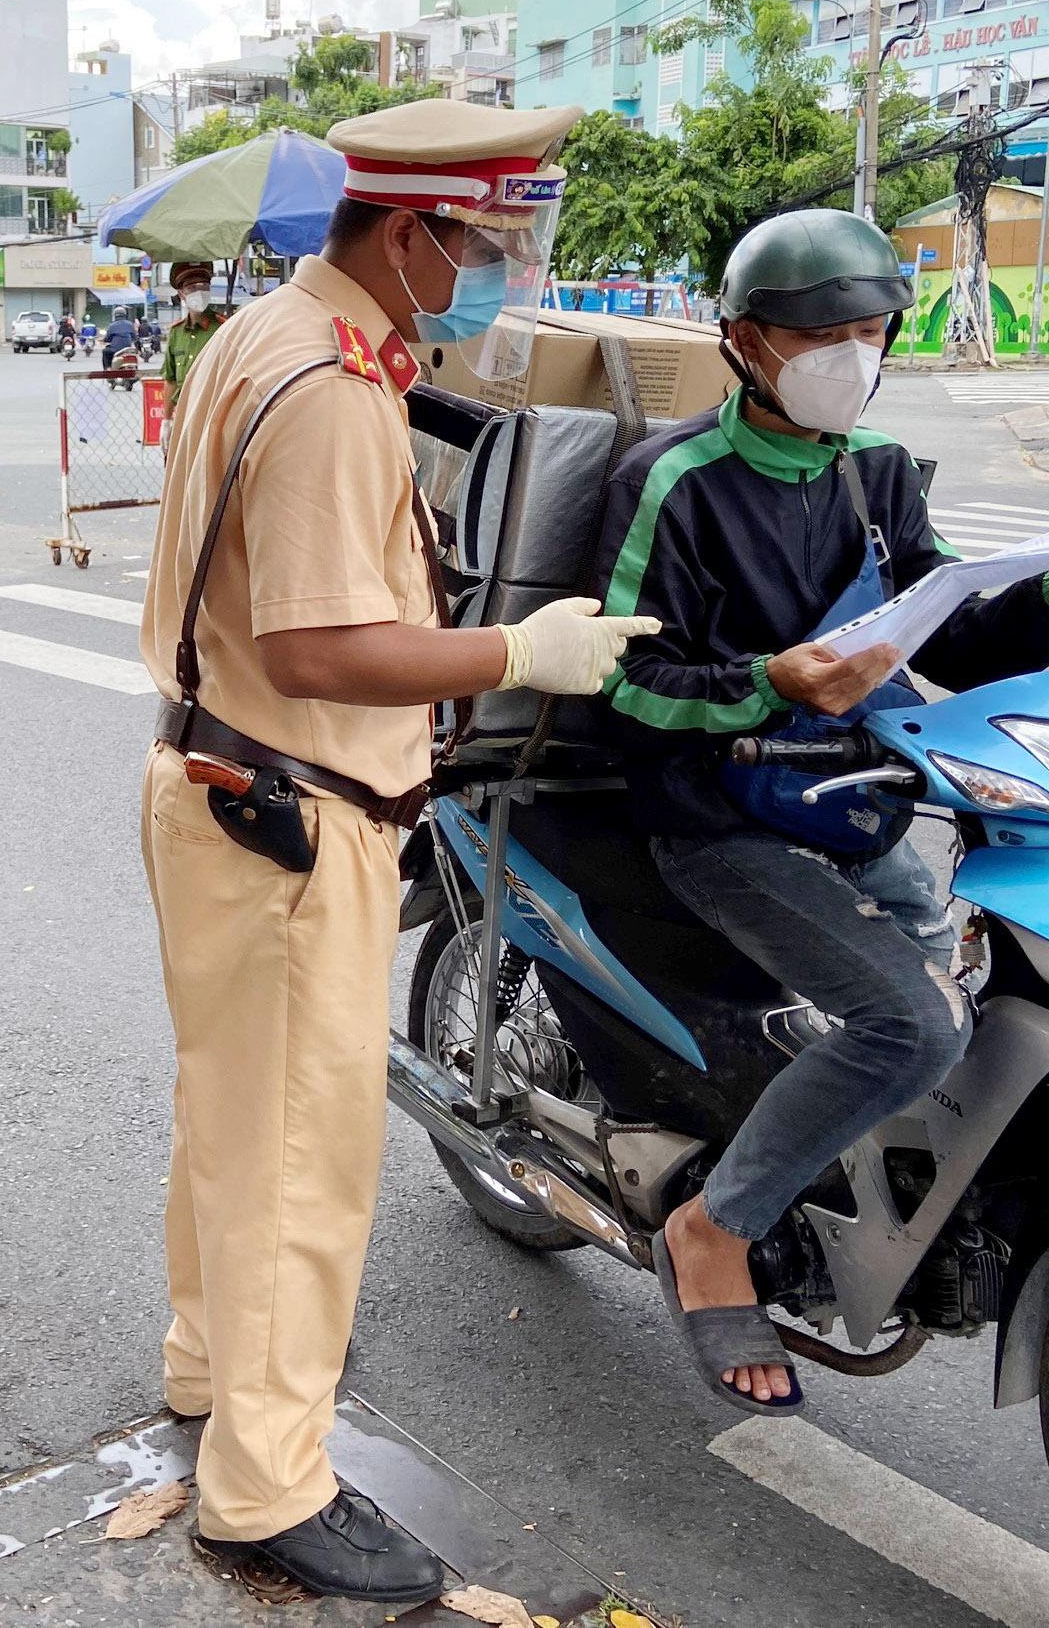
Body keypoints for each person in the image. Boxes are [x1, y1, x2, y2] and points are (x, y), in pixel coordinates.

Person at [140, 97, 653, 1603]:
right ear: (411, 234)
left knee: (230, 1121)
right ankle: (266, 1482)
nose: (498, 278)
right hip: (291, 816)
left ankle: (202, 1368)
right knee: (304, 1163)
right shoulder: (327, 388)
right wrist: (517, 649)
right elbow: (311, 642)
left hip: (221, 785)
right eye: (487, 247)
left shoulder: (273, 331)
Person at [588, 209, 1049, 1411]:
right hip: (719, 815)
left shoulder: (877, 473)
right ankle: (714, 1227)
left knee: (1025, 1007)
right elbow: (622, 679)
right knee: (915, 1031)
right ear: (745, 339)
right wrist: (766, 684)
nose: (854, 351)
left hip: (857, 800)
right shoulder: (673, 482)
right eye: (821, 332)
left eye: (872, 328)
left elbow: (956, 640)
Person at [159, 262, 226, 396]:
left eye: (204, 286)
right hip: (182, 411)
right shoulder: (176, 333)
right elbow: (170, 381)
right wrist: (166, 417)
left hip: (211, 410)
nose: (199, 292)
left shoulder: (224, 328)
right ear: (181, 294)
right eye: (192, 287)